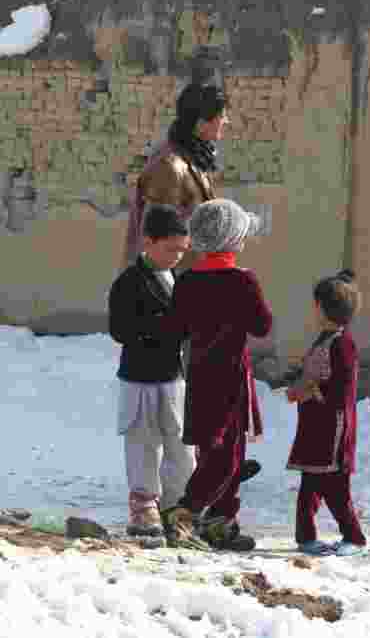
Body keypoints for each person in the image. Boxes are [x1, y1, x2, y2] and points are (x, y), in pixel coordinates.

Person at [161, 198, 272, 551]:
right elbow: (262, 325)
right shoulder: (243, 281)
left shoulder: (187, 281)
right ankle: (186, 512)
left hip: (199, 377)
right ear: (234, 242)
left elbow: (175, 329)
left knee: (216, 453)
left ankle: (221, 523)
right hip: (231, 381)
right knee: (228, 459)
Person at [108, 204, 195, 538]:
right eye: (170, 248)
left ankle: (176, 507)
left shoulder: (178, 280)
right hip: (139, 378)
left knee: (181, 444)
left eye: (181, 250)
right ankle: (144, 507)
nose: (176, 256)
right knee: (143, 442)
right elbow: (120, 329)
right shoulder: (129, 282)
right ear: (148, 242)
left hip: (173, 376)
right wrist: (162, 327)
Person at [285, 269, 367, 556]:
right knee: (309, 483)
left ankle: (354, 538)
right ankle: (305, 537)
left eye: (315, 304)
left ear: (323, 308)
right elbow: (315, 373)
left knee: (335, 488)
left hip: (333, 430)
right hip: (314, 426)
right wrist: (297, 380)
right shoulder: (325, 339)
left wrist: (309, 390)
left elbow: (340, 391)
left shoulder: (343, 345)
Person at [123, 83, 229, 272]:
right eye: (221, 116)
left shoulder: (191, 161)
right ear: (201, 122)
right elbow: (155, 246)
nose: (226, 121)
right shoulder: (169, 166)